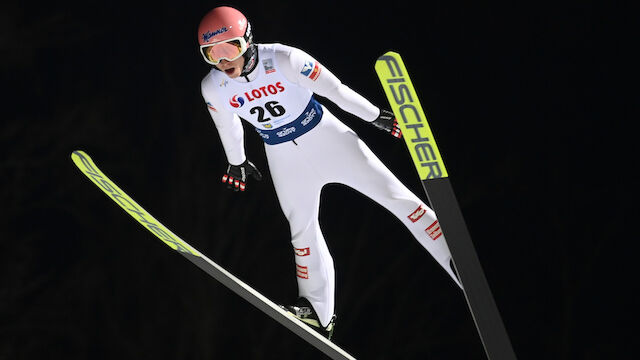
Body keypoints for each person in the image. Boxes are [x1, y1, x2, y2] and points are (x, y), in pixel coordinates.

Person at [198, 6, 461, 339]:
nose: (223, 61)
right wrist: (237, 160)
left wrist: (374, 116)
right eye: (212, 54)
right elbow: (228, 126)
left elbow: (334, 89)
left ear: (247, 40)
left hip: (326, 137)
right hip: (281, 154)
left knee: (394, 196)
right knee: (301, 229)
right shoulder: (214, 87)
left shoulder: (283, 59)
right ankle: (317, 311)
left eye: (229, 48)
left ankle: (454, 256)